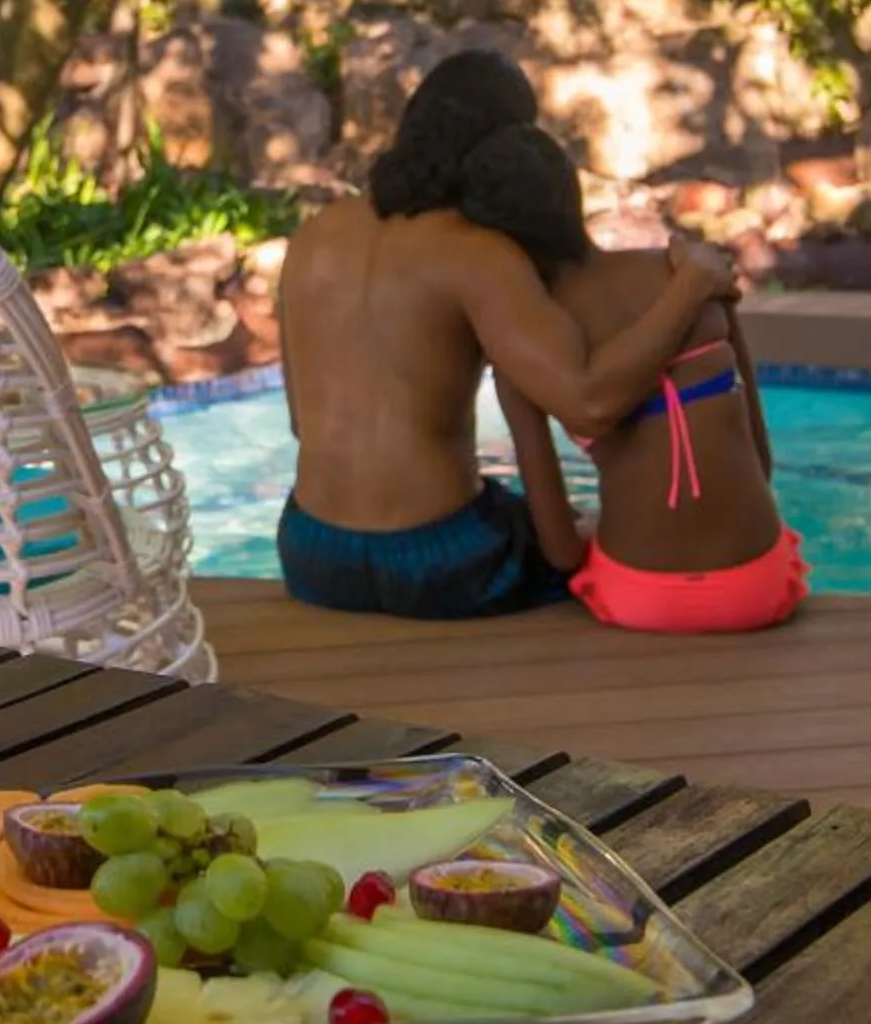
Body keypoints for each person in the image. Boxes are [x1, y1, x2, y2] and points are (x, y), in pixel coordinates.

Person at [274, 50, 739, 619]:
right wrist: (691, 286)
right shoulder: (478, 254)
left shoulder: (313, 237)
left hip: (311, 552)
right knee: (590, 538)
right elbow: (591, 404)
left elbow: (301, 424)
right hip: (442, 562)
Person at [464, 124, 808, 634]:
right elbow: (760, 463)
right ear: (572, 195)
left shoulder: (530, 349)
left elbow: (561, 552)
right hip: (755, 587)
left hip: (639, 596)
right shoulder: (686, 273)